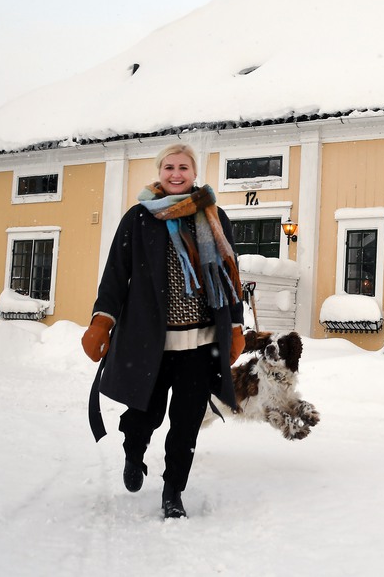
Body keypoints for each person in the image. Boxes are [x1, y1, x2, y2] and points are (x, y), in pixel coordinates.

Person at [81, 143, 245, 519]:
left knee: (186, 425)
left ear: (194, 172)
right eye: (169, 167)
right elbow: (116, 275)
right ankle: (133, 452)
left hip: (200, 344)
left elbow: (231, 277)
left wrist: (235, 326)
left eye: (183, 167)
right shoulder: (138, 219)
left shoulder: (215, 216)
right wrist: (102, 320)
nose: (176, 174)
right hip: (148, 342)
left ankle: (173, 492)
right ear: (159, 171)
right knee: (144, 415)